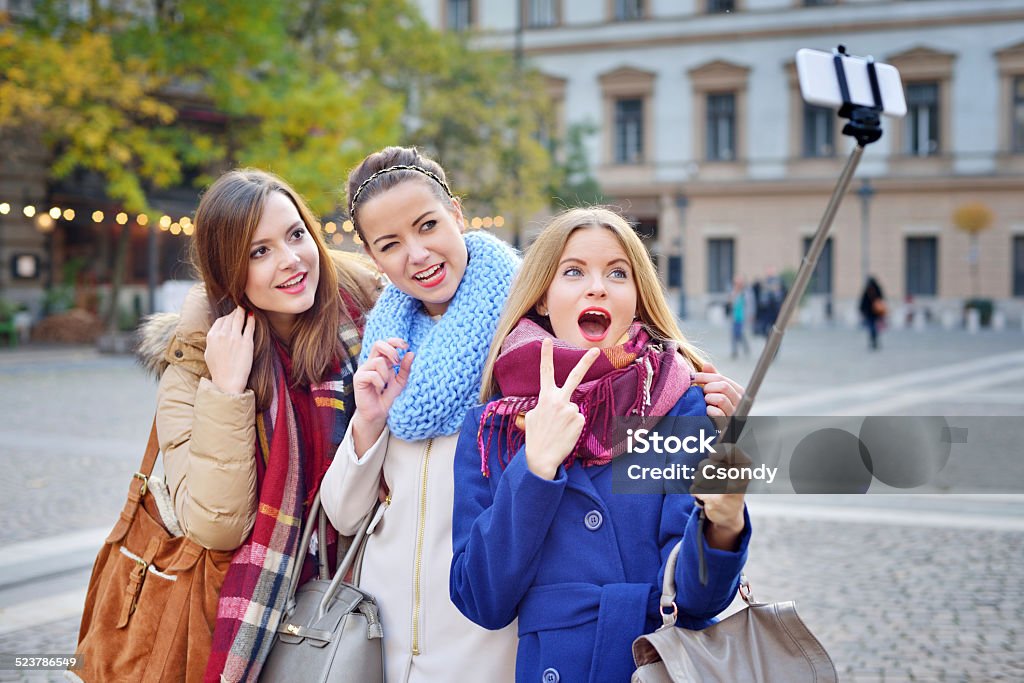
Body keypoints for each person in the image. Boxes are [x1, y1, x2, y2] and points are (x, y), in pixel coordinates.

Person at [450, 207, 750, 683]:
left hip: (660, 666)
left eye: (617, 273)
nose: (598, 287)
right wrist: (535, 469)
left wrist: (725, 523)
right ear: (543, 298)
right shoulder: (492, 428)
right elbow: (482, 599)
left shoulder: (681, 406)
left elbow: (698, 598)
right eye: (573, 272)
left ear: (636, 295)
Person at [139, 169, 380, 682]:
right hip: (260, 614)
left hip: (377, 595)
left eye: (295, 235)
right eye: (258, 252)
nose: (291, 261)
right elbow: (216, 525)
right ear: (229, 272)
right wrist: (227, 392)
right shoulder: (197, 363)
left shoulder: (372, 320)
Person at [318, 146, 523, 682]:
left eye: (427, 225)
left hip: (490, 639)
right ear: (373, 256)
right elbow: (342, 516)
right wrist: (367, 421)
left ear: (456, 213)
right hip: (384, 642)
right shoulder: (381, 348)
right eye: (390, 244)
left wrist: (724, 434)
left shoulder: (532, 322)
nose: (417, 254)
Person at [860, 276, 886, 350]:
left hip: (871, 313)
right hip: (875, 313)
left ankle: (873, 339)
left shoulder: (868, 290)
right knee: (874, 327)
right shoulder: (877, 290)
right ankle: (874, 339)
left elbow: (863, 302)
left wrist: (862, 310)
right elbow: (881, 300)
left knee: (871, 327)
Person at [730, 275, 750, 359]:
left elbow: (748, 304)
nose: (736, 285)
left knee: (740, 334)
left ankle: (746, 346)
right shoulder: (733, 292)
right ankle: (735, 351)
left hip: (742, 317)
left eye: (738, 283)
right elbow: (730, 302)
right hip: (734, 317)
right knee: (734, 334)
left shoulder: (744, 293)